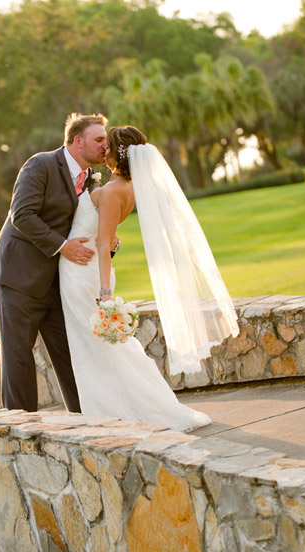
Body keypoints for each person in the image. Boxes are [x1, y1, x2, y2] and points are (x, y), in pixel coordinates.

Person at [59, 126, 239, 432]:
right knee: (103, 348)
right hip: (86, 270)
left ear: (118, 156)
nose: (103, 151)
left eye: (108, 147)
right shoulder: (127, 189)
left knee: (98, 348)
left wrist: (104, 293)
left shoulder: (113, 191)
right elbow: (108, 235)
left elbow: (104, 244)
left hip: (85, 277)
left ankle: (121, 414)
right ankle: (115, 410)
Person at [0, 113, 108, 412]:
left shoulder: (90, 178)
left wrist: (108, 244)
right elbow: (22, 215)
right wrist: (63, 246)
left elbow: (82, 225)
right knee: (18, 358)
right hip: (18, 278)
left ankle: (87, 421)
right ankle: (20, 430)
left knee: (71, 352)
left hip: (57, 281)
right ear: (78, 141)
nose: (106, 145)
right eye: (99, 139)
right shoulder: (41, 164)